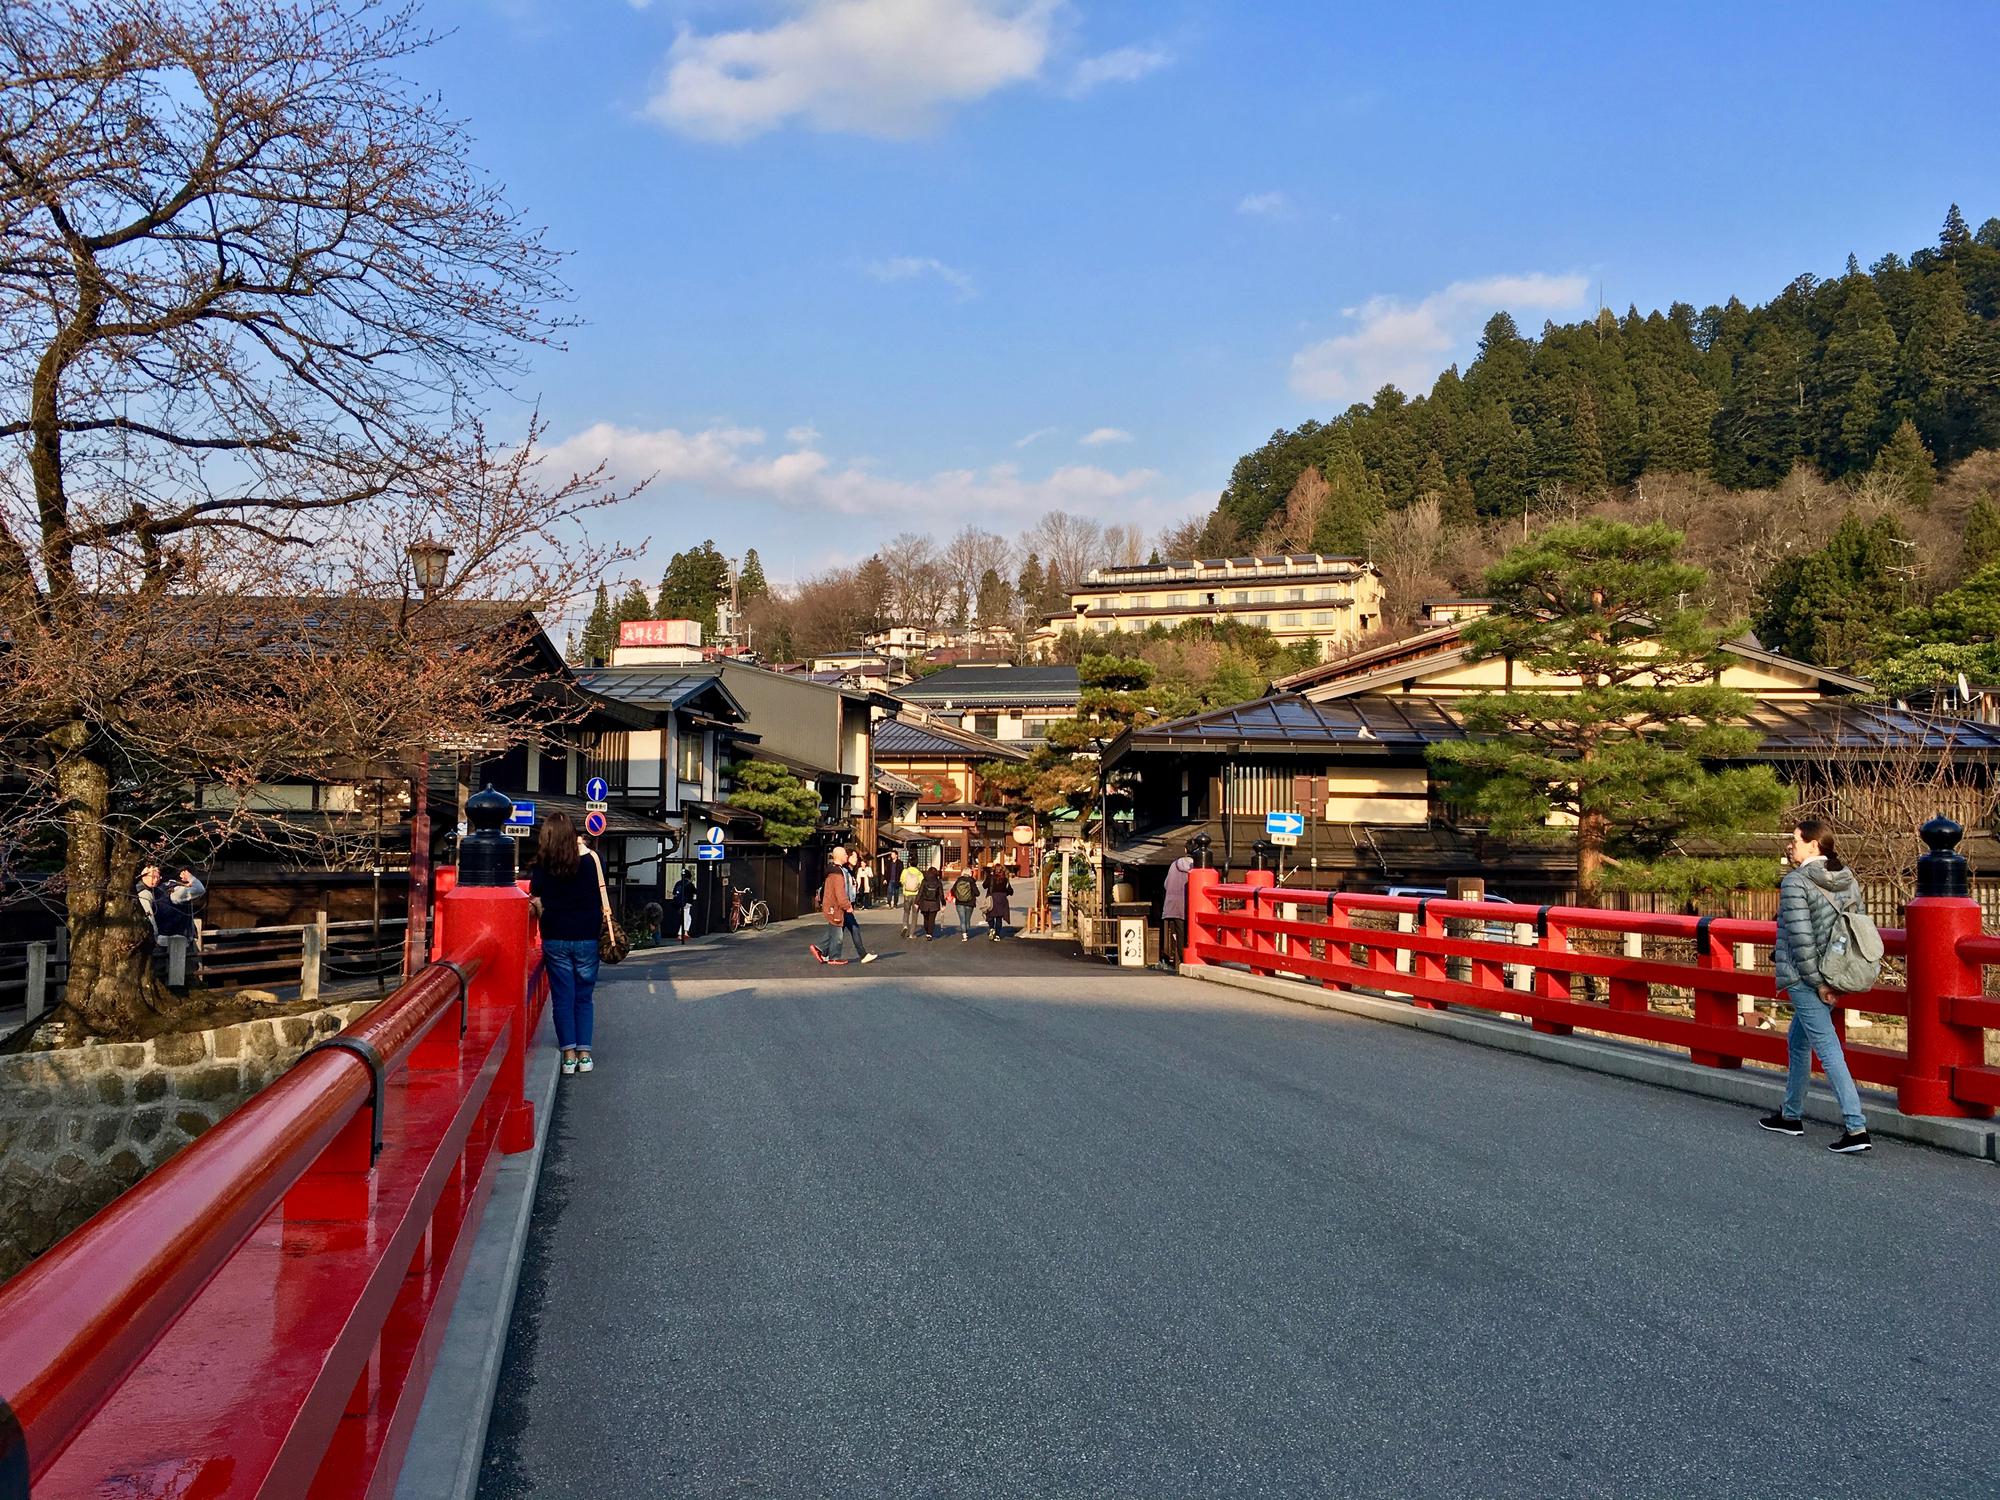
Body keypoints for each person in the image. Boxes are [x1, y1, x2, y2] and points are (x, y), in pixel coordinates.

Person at [1759, 819, 1871, 1153]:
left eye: (1794, 840)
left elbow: (1801, 939)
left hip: (1807, 977)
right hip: (1837, 970)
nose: (1789, 845)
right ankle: (1790, 1114)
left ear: (1813, 845)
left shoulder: (1795, 882)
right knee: (1798, 1040)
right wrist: (1835, 978)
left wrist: (1818, 983)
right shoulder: (1846, 877)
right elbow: (1857, 926)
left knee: (1827, 1047)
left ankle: (1856, 1127)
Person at [528, 813, 604, 1077]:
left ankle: (568, 1055)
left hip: (555, 936)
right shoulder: (593, 861)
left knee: (562, 996)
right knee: (584, 997)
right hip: (587, 936)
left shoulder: (541, 865)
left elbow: (536, 895)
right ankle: (585, 1054)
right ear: (574, 834)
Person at [811, 847, 877, 965]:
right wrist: (847, 905)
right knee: (838, 932)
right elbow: (840, 892)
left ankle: (821, 949)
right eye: (847, 855)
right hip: (837, 907)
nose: (847, 857)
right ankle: (834, 956)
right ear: (841, 856)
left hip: (838, 906)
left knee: (838, 930)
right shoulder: (838, 872)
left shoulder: (840, 870)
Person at [136, 863, 206, 948]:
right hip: (175, 941)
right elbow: (200, 889)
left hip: (163, 939)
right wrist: (190, 877)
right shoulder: (175, 892)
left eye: (158, 877)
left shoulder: (158, 889)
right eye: (153, 877)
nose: (156, 880)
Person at [1160, 852, 1194, 971]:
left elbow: (1166, 884)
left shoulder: (1174, 865)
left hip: (1173, 905)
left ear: (1185, 850)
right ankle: (1190, 959)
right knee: (1190, 934)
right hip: (1189, 904)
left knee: (1180, 935)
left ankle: (1182, 961)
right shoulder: (1195, 866)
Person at [982, 859, 1013, 941]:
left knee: (990, 915)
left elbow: (984, 886)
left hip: (992, 898)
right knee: (999, 917)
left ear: (994, 870)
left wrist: (988, 876)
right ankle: (997, 935)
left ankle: (992, 928)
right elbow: (1011, 891)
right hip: (1002, 898)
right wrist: (1006, 893)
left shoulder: (991, 878)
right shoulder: (1005, 879)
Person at [949, 866, 980, 941]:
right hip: (970, 903)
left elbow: (952, 891)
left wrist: (957, 895)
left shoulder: (958, 880)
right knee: (967, 919)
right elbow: (977, 893)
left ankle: (964, 935)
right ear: (970, 873)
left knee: (962, 919)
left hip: (959, 903)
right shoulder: (971, 881)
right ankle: (966, 930)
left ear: (962, 873)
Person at [916, 865, 946, 940]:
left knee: (926, 918)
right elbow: (941, 894)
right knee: (932, 919)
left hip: (924, 903)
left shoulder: (924, 881)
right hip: (934, 903)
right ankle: (929, 934)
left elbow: (920, 892)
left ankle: (927, 930)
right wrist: (943, 903)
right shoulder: (938, 882)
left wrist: (916, 902)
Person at [899, 859, 925, 937]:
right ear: (917, 864)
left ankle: (905, 926)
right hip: (916, 895)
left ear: (909, 864)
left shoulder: (905, 871)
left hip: (907, 894)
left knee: (906, 912)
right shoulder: (919, 873)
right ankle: (911, 934)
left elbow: (902, 881)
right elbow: (921, 884)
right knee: (915, 914)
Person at [672, 870, 696, 942]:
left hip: (679, 903)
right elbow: (695, 891)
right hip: (687, 904)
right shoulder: (689, 884)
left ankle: (685, 932)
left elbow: (674, 893)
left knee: (688, 918)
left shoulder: (678, 883)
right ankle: (680, 934)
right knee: (685, 918)